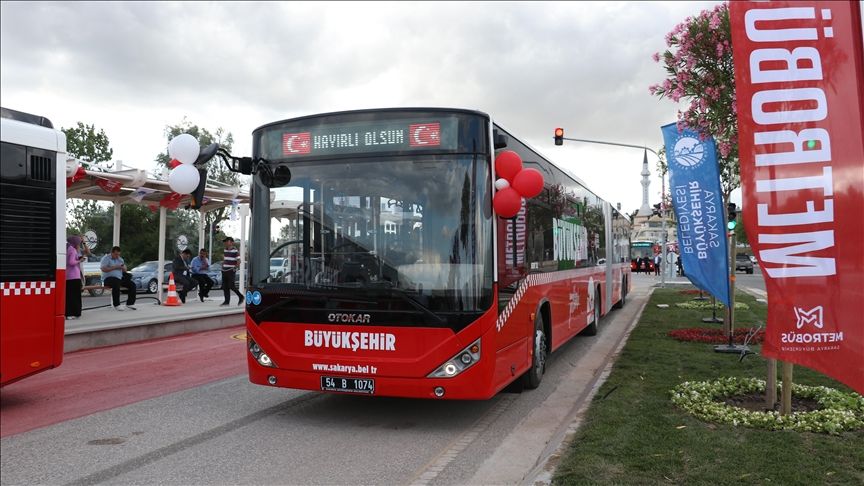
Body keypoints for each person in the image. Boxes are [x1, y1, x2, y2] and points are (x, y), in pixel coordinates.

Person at [100, 246, 136, 311]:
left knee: (132, 284)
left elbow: (124, 270)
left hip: (119, 278)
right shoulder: (106, 258)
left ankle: (130, 303)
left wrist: (123, 268)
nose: (117, 256)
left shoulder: (120, 259)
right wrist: (115, 267)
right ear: (112, 253)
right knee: (116, 283)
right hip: (108, 279)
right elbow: (103, 269)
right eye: (116, 254)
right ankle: (117, 304)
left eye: (119, 254)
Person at [65, 236, 85, 319]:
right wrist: (80, 261)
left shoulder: (67, 249)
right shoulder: (72, 250)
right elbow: (71, 262)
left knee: (69, 296)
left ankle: (68, 313)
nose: (79, 245)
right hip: (74, 276)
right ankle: (75, 313)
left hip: (68, 276)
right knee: (76, 296)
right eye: (78, 243)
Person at [220, 237, 244, 306]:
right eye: (225, 242)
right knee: (225, 287)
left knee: (231, 285)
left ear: (231, 242)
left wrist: (234, 268)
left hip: (230, 271)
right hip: (224, 270)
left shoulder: (235, 251)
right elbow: (225, 259)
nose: (225, 243)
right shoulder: (225, 250)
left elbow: (239, 261)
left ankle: (241, 296)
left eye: (227, 241)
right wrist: (222, 266)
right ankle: (226, 301)